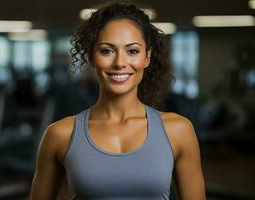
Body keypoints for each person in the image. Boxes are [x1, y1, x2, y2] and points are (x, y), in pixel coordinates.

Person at [30, 2, 205, 200]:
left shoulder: (178, 130)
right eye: (107, 50)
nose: (120, 63)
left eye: (132, 51)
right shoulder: (60, 135)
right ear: (91, 56)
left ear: (147, 57)